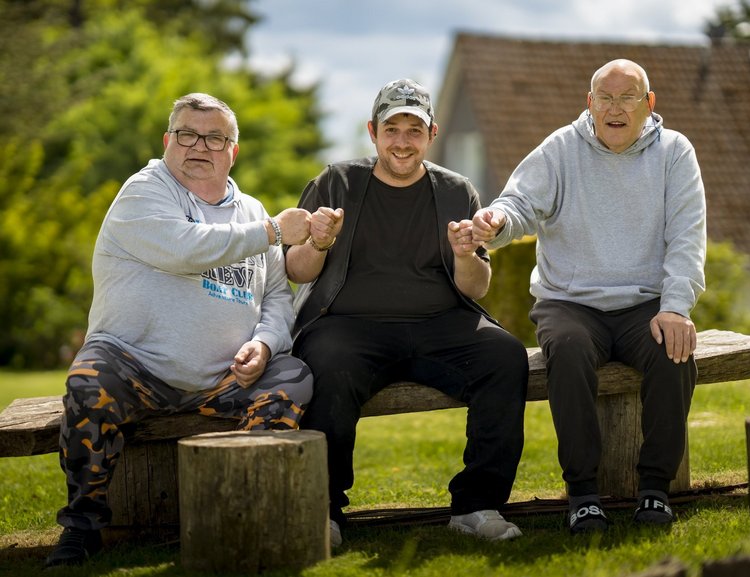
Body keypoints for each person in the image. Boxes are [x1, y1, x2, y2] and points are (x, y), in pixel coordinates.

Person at [45, 93, 314, 567]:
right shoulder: (145, 191)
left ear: (233, 151)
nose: (199, 146)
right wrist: (273, 231)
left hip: (223, 377)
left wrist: (265, 344)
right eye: (187, 134)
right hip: (134, 365)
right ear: (168, 140)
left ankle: (242, 511)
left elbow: (276, 295)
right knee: (87, 383)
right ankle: (82, 528)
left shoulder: (250, 210)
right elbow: (184, 248)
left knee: (293, 377)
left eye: (215, 137)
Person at [284, 78, 529, 547]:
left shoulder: (457, 191)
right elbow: (297, 272)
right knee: (326, 364)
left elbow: (476, 287)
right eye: (391, 128)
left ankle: (477, 505)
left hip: (441, 325)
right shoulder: (336, 182)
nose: (401, 141)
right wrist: (318, 241)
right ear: (372, 131)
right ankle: (326, 511)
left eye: (413, 130)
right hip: (348, 327)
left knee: (505, 356)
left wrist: (464, 254)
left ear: (431, 134)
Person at [472, 59, 706, 533]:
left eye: (628, 98)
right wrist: (494, 224)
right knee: (571, 351)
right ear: (590, 102)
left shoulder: (675, 152)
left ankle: (655, 490)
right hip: (570, 304)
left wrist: (676, 307)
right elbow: (517, 205)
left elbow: (687, 236)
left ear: (649, 104)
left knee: (674, 351)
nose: (615, 109)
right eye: (605, 98)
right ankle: (582, 493)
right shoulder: (561, 149)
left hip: (645, 304)